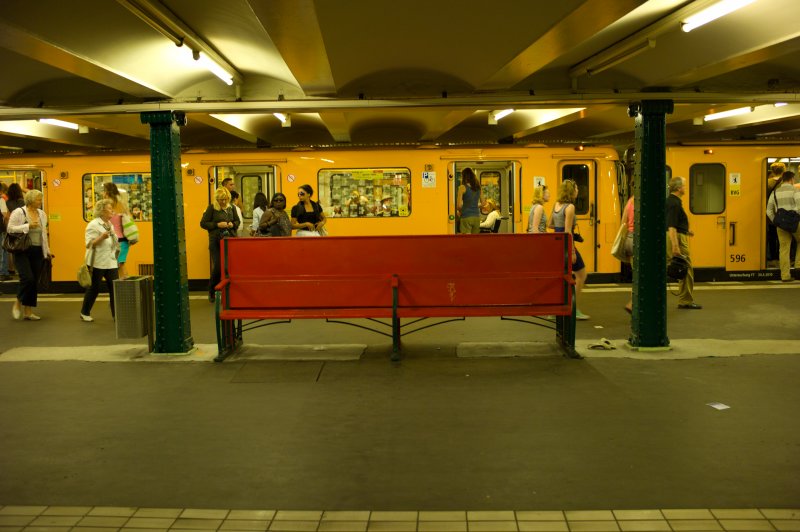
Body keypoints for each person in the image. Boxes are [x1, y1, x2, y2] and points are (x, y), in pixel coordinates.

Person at [7, 189, 52, 321]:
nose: (40, 201)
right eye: (38, 199)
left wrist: (47, 251)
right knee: (28, 278)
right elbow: (10, 228)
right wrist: (27, 226)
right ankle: (17, 302)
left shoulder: (42, 214)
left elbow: (44, 234)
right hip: (22, 250)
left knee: (34, 282)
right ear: (31, 200)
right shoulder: (19, 212)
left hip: (37, 251)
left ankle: (28, 311)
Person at [550, 180, 589, 320]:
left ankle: (554, 310)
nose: (578, 190)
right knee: (581, 274)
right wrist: (572, 251)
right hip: (566, 244)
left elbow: (551, 224)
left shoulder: (556, 205)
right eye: (576, 188)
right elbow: (568, 231)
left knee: (561, 276)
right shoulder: (570, 207)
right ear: (571, 191)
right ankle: (574, 308)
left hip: (556, 243)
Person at [80, 199, 119, 322]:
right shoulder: (93, 224)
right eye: (109, 208)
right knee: (94, 288)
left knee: (114, 289)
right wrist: (101, 237)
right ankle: (84, 312)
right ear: (102, 211)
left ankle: (116, 315)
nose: (112, 210)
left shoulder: (109, 224)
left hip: (111, 261)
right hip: (97, 262)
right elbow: (89, 244)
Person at [666, 176, 701, 309]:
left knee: (678, 267)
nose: (686, 188)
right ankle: (685, 301)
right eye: (685, 186)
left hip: (678, 235)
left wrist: (686, 230)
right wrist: (675, 246)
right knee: (686, 269)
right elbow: (671, 226)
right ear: (679, 188)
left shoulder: (672, 201)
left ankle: (684, 299)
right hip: (677, 239)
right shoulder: (674, 203)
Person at [200, 187, 240, 302]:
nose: (222, 202)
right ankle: (212, 290)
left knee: (230, 266)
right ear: (216, 199)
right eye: (220, 199)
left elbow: (237, 221)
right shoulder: (212, 208)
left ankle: (231, 291)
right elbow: (203, 223)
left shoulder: (231, 208)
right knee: (218, 265)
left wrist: (233, 224)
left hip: (230, 239)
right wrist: (217, 225)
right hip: (215, 241)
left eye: (225, 199)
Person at [766, 170, 800, 282]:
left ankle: (785, 276)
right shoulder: (795, 190)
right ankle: (798, 268)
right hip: (795, 223)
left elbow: (769, 210)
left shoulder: (775, 192)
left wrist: (776, 221)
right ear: (791, 179)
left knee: (784, 249)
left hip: (781, 224)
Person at [103, 183, 131, 280]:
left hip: (117, 240)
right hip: (124, 239)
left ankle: (125, 290)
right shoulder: (121, 204)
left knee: (119, 265)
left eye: (104, 191)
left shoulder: (108, 206)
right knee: (121, 264)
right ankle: (125, 288)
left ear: (107, 192)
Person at [766, 162, 785, 266]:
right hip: (785, 215)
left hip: (771, 214)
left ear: (772, 171)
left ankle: (773, 258)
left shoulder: (767, 182)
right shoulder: (786, 183)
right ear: (784, 171)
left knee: (772, 236)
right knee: (784, 238)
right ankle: (783, 258)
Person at [621, 194, 635, 313]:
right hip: (638, 240)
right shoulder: (643, 203)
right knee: (642, 276)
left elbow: (623, 222)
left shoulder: (630, 201)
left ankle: (634, 303)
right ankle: (632, 303)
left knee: (636, 273)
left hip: (629, 239)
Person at [457, 167, 482, 234]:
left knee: (466, 240)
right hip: (476, 217)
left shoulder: (462, 187)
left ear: (463, 176)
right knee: (474, 240)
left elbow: (459, 206)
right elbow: (484, 203)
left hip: (466, 217)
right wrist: (474, 206)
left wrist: (460, 211)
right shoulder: (478, 187)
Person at [0, 183, 9, 280]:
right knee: (3, 251)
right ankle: (3, 272)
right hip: (0, 228)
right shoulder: (1, 199)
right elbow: (5, 214)